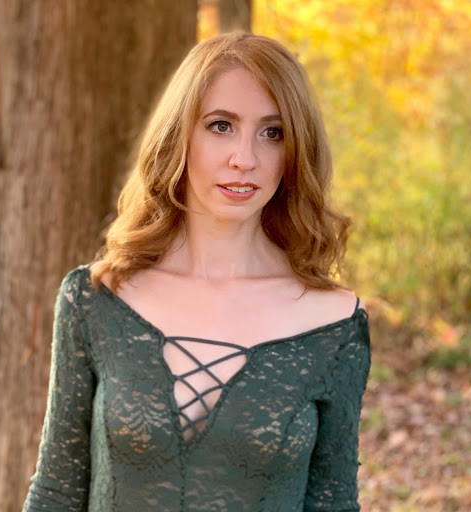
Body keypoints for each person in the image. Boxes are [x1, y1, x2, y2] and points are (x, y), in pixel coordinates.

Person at [23, 32, 371, 512]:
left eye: (273, 133)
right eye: (221, 125)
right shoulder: (96, 299)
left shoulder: (334, 325)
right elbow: (56, 493)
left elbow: (333, 503)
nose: (244, 159)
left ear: (295, 151)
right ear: (179, 134)